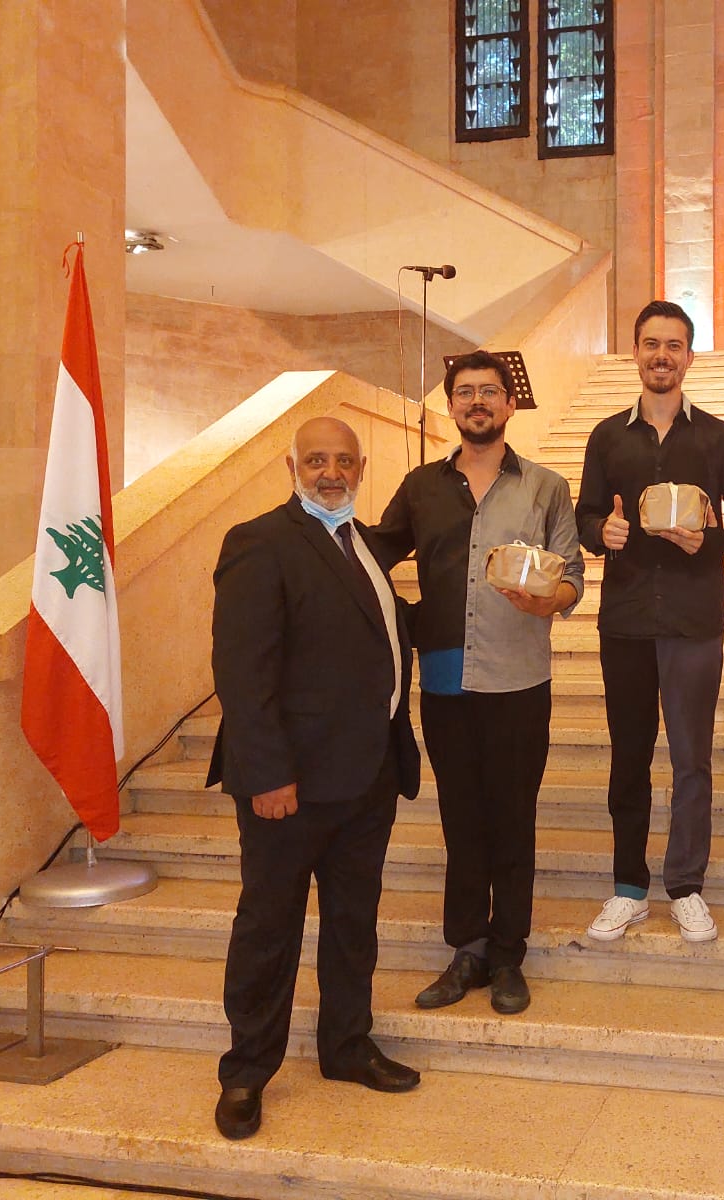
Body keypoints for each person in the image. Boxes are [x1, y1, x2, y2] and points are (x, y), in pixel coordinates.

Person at [206, 416, 423, 1141]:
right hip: (288, 787)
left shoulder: (365, 544)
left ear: (363, 468)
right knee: (270, 928)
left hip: (366, 777)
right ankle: (245, 1072)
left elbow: (372, 638)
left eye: (344, 461)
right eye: (317, 460)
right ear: (291, 465)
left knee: (353, 925)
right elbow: (243, 672)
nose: (331, 472)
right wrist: (267, 773)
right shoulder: (260, 542)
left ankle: (346, 1046)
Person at [372, 350, 583, 1016]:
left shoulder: (545, 486)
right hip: (445, 681)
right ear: (452, 405)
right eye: (465, 393)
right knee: (462, 822)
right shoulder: (421, 485)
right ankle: (467, 947)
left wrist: (551, 601)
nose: (477, 402)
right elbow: (376, 554)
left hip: (520, 678)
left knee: (512, 820)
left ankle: (508, 953)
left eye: (489, 391)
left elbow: (573, 572)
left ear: (509, 404)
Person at [574, 300, 724, 944]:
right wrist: (602, 532)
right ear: (636, 352)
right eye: (651, 344)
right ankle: (628, 887)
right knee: (628, 759)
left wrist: (709, 540)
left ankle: (685, 885)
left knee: (692, 760)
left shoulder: (717, 437)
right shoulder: (607, 436)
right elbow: (584, 517)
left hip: (693, 622)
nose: (662, 355)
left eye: (674, 345)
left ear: (689, 356)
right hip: (625, 621)